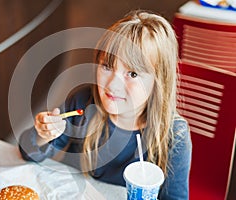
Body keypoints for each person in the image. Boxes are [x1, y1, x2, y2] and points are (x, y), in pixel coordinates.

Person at [19, 10, 192, 199]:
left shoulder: (174, 135)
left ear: (159, 81)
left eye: (132, 74)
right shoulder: (83, 103)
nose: (112, 85)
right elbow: (27, 153)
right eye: (107, 66)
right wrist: (43, 134)